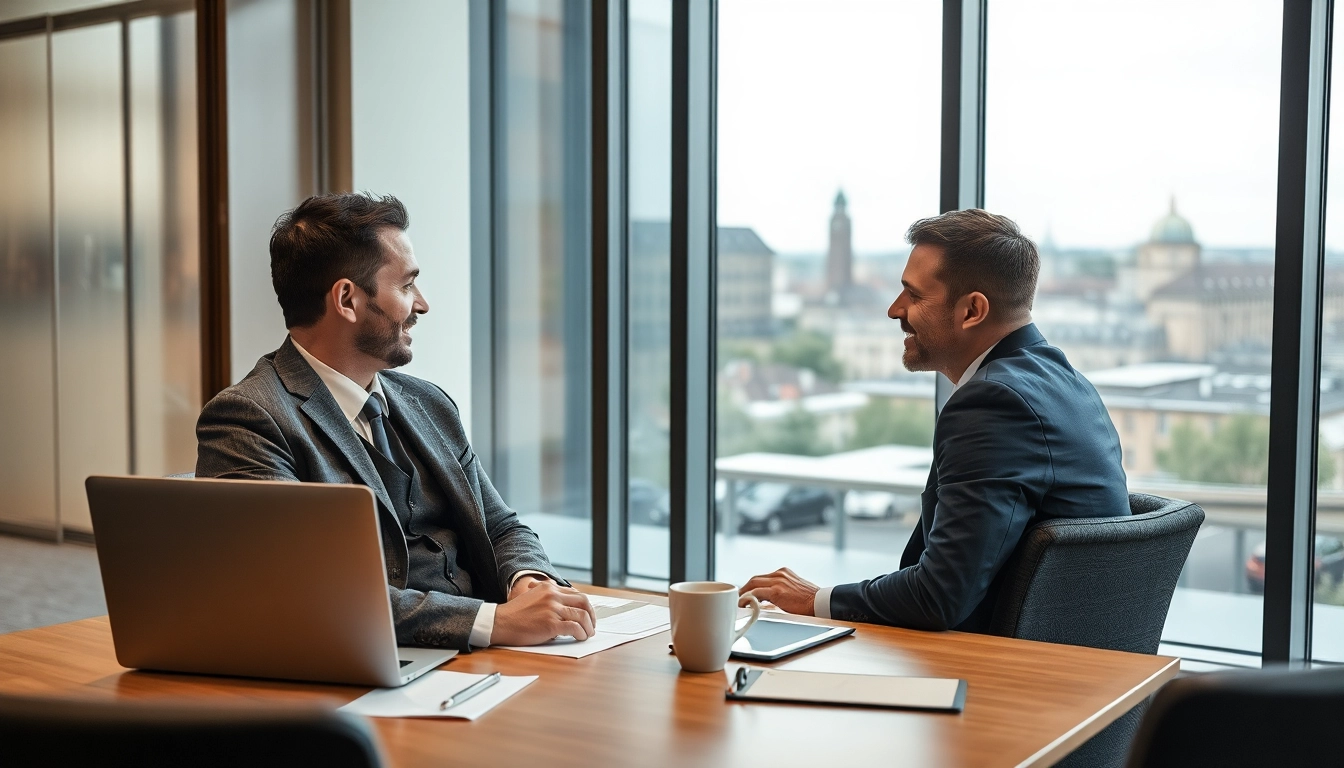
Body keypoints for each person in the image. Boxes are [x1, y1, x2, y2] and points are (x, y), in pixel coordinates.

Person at [196, 192, 596, 651]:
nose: (421, 304)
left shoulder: (429, 402)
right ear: (347, 299)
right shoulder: (248, 418)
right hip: (378, 671)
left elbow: (501, 526)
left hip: (489, 659)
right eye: (407, 286)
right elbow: (300, 592)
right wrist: (493, 622)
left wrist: (526, 582)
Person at [740, 209, 1128, 633]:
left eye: (914, 295)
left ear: (972, 310)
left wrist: (813, 600)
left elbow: (939, 597)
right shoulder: (1065, 382)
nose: (894, 310)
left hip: (1012, 678)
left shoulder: (994, 403)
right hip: (1069, 668)